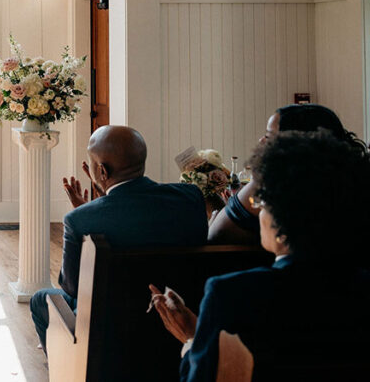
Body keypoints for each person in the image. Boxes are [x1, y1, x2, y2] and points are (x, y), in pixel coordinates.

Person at [149, 130, 370, 380]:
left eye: (260, 202)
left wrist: (192, 340)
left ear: (280, 219)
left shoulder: (231, 296)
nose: (258, 211)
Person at [30, 125, 208, 352]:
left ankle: (65, 369)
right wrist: (99, 205)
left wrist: (90, 214)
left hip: (109, 335)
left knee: (40, 299)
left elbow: (70, 287)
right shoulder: (190, 197)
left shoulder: (79, 220)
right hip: (178, 321)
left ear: (102, 172)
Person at [208, 103, 366, 244]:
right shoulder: (349, 182)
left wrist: (215, 219)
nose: (262, 140)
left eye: (270, 135)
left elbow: (216, 233)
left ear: (295, 143)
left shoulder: (276, 180)